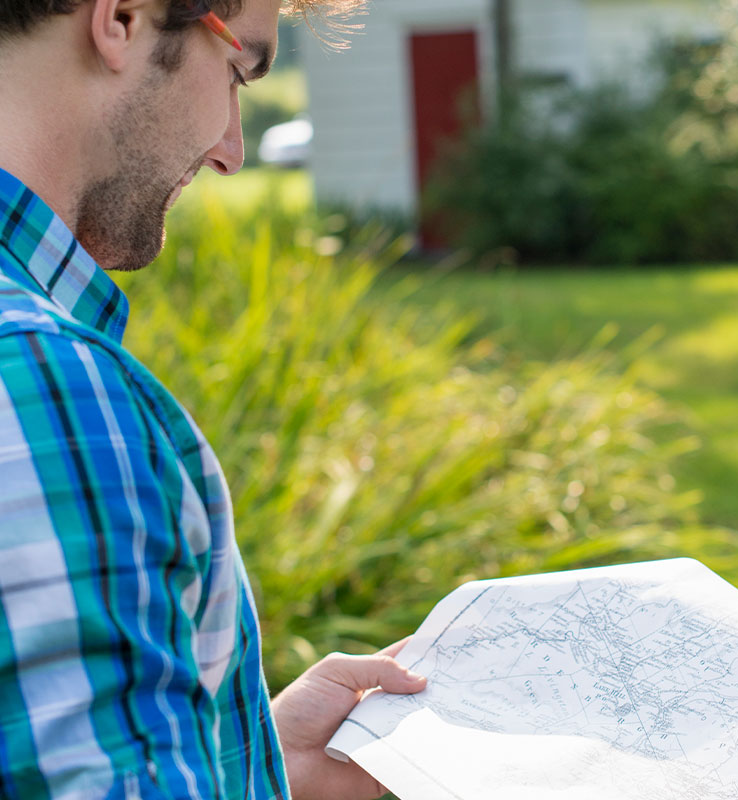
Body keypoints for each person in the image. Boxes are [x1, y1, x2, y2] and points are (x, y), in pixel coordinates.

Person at [0, 0, 427, 797]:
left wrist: (259, 766)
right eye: (237, 70)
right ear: (122, 17)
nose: (230, 150)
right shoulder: (43, 380)